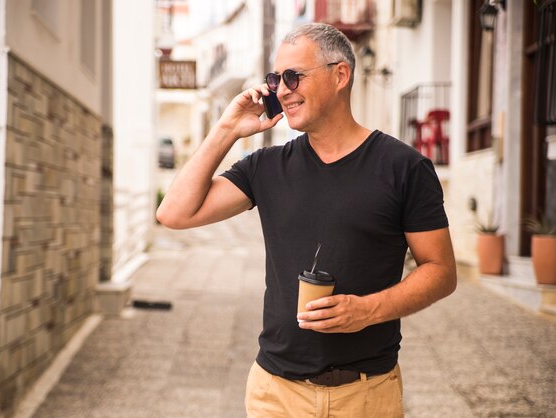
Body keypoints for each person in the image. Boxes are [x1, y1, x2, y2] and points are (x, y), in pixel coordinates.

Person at [157, 22, 456, 418]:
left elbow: (441, 271)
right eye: (275, 79)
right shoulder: (266, 167)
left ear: (340, 75)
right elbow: (174, 213)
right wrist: (228, 128)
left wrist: (367, 310)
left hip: (366, 397)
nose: (281, 89)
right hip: (275, 395)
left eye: (293, 76)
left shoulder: (404, 167)